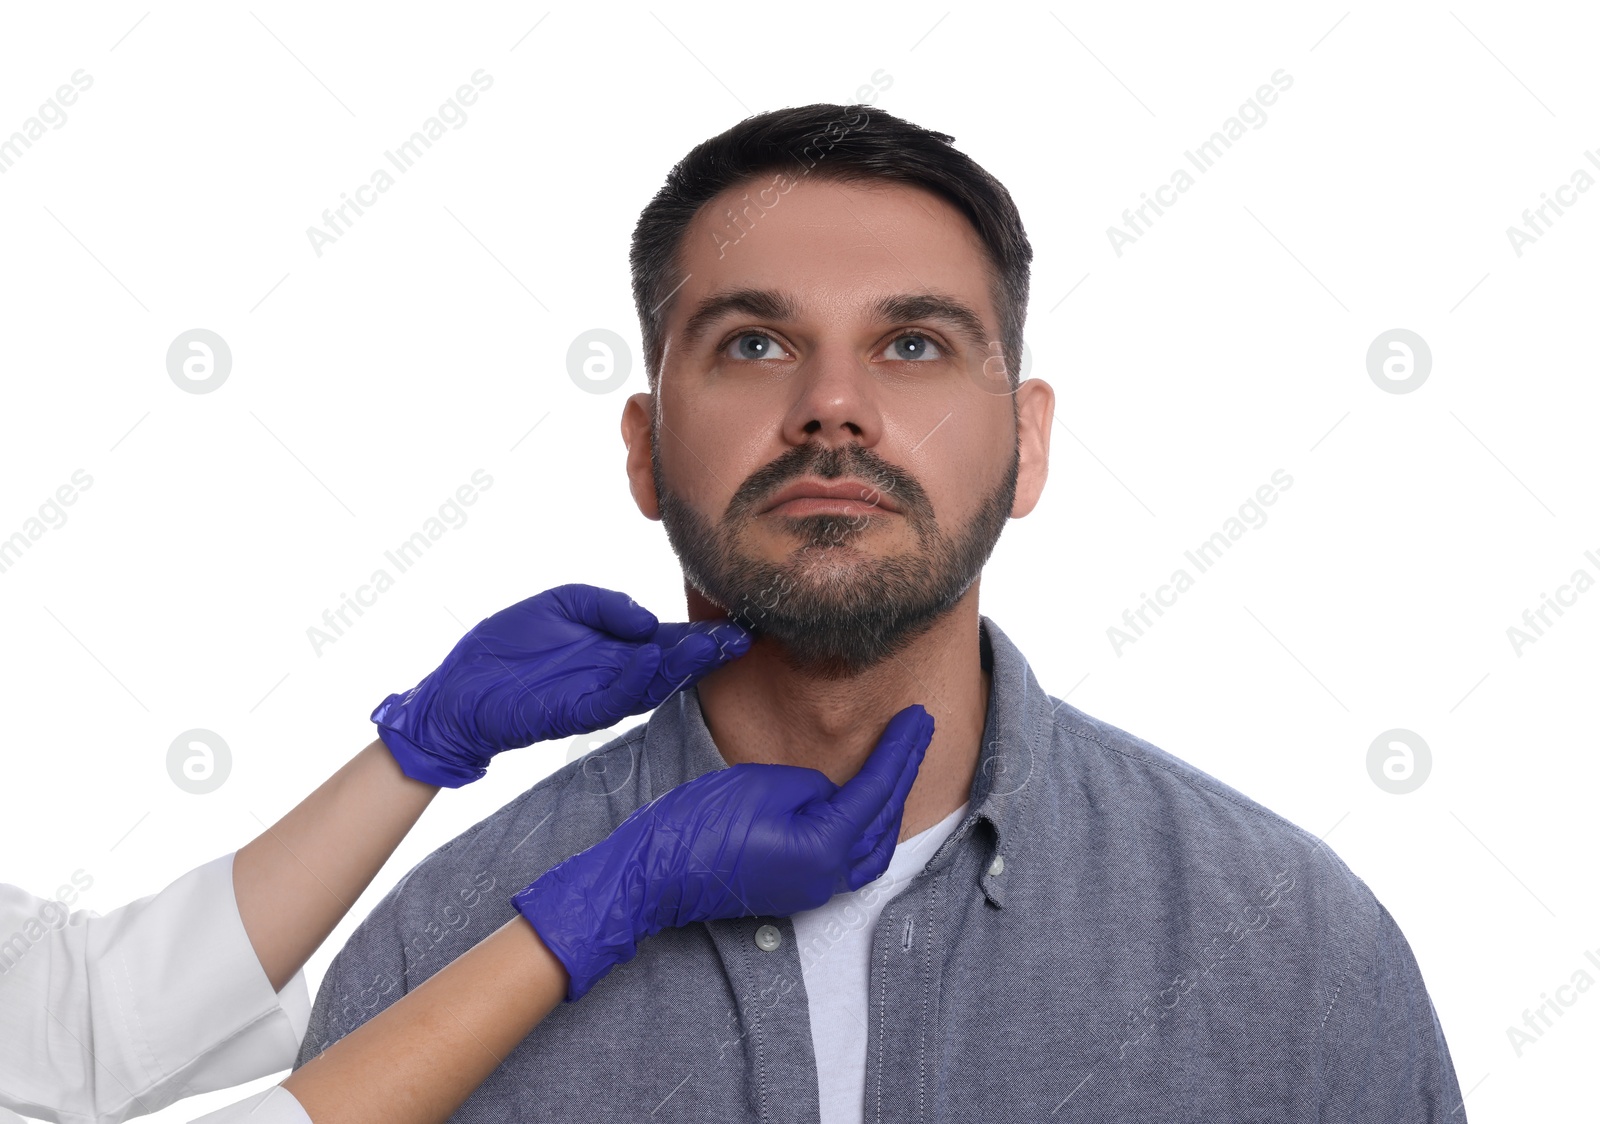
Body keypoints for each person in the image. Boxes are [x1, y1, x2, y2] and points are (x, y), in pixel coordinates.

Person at [298, 103, 1467, 1121]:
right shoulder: (431, 956)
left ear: (1027, 441)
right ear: (646, 450)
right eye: (755, 343)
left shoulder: (1290, 945)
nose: (834, 406)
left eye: (912, 344)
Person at [1, 585, 934, 1124]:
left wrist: (425, 740)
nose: (831, 410)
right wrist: (605, 902)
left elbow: (77, 1015)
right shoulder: (422, 939)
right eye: (751, 346)